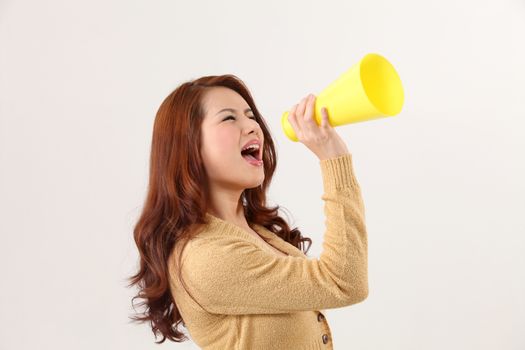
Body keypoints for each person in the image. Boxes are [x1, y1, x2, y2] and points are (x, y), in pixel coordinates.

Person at [127, 74, 368, 349]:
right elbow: (343, 281)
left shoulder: (254, 232)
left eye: (251, 115)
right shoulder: (206, 257)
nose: (253, 126)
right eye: (229, 118)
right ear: (188, 145)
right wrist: (332, 157)